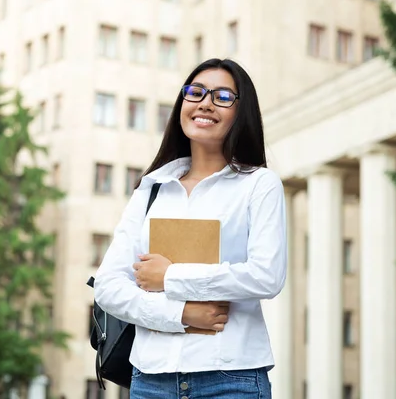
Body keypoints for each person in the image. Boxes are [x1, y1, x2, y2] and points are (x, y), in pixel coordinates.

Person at [94, 58, 287, 399]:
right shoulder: (151, 189)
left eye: (222, 96)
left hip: (231, 379)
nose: (205, 103)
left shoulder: (259, 184)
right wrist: (181, 314)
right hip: (152, 382)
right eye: (195, 92)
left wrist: (171, 277)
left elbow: (267, 276)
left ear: (241, 112)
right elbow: (109, 287)